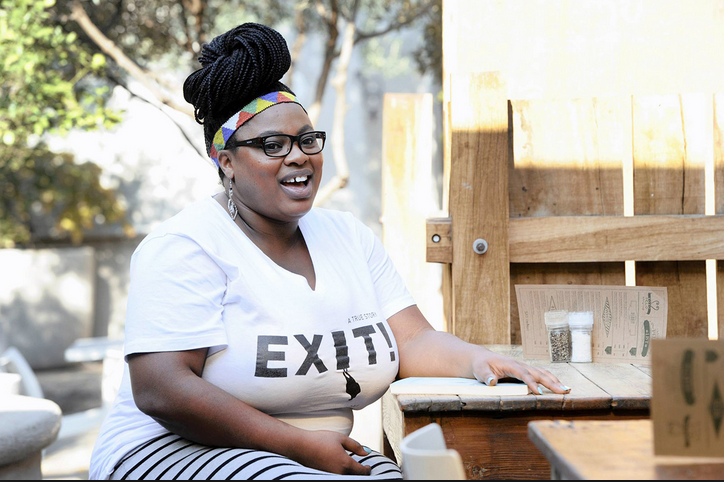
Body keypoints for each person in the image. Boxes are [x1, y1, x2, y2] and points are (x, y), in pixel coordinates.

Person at [89, 22, 570, 480]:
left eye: (306, 140)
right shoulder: (187, 246)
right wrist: (296, 445)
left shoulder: (348, 237)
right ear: (227, 162)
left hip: (311, 454)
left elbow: (414, 342)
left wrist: (479, 361)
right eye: (272, 144)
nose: (298, 156)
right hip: (167, 451)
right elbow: (161, 389)